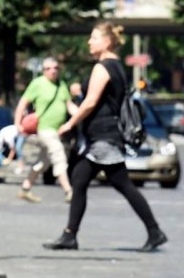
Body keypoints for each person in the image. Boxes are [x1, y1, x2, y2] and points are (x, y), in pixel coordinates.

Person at [45, 21, 167, 252]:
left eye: (94, 38)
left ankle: (154, 230)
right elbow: (99, 98)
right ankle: (70, 235)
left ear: (107, 41)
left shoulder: (103, 67)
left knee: (120, 184)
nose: (89, 42)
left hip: (103, 136)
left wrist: (70, 123)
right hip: (103, 135)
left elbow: (91, 102)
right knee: (80, 181)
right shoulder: (116, 67)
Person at [13, 56, 75, 204]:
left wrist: (81, 115)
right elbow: (23, 103)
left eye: (55, 68)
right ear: (43, 71)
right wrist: (17, 123)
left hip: (57, 129)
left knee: (43, 161)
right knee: (58, 155)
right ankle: (69, 191)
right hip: (45, 129)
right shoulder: (38, 84)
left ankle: (25, 188)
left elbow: (69, 106)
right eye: (48, 68)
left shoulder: (62, 85)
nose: (53, 71)